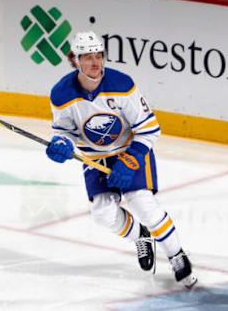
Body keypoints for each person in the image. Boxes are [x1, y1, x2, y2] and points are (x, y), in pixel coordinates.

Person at [45, 31, 197, 288]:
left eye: (99, 55)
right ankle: (140, 236)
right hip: (95, 157)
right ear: (75, 60)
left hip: (129, 150)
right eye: (88, 57)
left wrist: (132, 159)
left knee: (143, 205)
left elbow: (150, 129)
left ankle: (177, 254)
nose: (95, 62)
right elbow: (64, 131)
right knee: (102, 214)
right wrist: (61, 144)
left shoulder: (122, 84)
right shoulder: (61, 94)